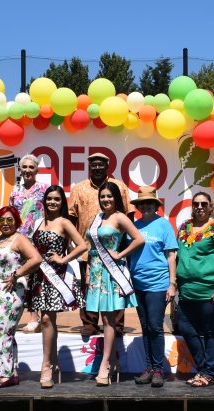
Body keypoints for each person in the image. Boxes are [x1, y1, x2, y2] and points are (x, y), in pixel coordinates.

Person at [84, 182, 145, 386]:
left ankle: (105, 366)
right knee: (101, 316)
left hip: (112, 273)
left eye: (109, 196)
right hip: (95, 273)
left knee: (109, 319)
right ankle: (113, 360)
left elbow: (138, 239)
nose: (106, 200)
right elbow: (88, 245)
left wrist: (120, 254)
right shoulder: (97, 218)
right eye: (102, 196)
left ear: (116, 197)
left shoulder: (119, 217)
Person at [28, 185, 88, 388]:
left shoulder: (64, 222)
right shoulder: (39, 222)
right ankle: (54, 362)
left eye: (57, 199)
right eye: (49, 199)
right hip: (38, 276)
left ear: (62, 202)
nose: (52, 202)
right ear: (44, 201)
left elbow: (82, 245)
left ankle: (46, 365)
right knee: (47, 320)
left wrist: (64, 259)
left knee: (46, 319)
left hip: (55, 276)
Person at [67, 152, 133, 337]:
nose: (97, 167)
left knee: (114, 286)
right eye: (93, 165)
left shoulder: (119, 187)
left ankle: (117, 325)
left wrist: (124, 247)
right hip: (87, 248)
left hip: (113, 248)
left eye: (100, 164)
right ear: (89, 167)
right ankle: (89, 323)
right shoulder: (79, 188)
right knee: (88, 286)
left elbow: (129, 215)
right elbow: (71, 217)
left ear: (108, 166)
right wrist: (71, 242)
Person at [0, 207, 42, 387]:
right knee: (6, 332)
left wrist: (16, 274)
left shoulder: (19, 239)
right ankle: (11, 372)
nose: (6, 223)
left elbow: (36, 259)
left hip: (10, 291)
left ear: (16, 221)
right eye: (2, 220)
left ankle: (4, 374)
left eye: (10, 220)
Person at [178, 192, 214, 389]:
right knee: (186, 329)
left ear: (210, 207)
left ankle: (208, 372)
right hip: (186, 291)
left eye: (203, 204)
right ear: (192, 206)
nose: (199, 207)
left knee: (210, 332)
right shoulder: (184, 227)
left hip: (210, 291)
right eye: (196, 204)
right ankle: (205, 369)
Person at [128, 186, 178, 388]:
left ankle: (158, 369)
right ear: (138, 206)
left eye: (149, 203)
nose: (146, 206)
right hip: (137, 283)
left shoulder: (164, 225)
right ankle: (148, 368)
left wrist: (172, 283)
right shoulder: (135, 225)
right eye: (142, 203)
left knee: (156, 327)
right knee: (146, 327)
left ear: (156, 206)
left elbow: (171, 255)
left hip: (158, 284)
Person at [10, 154, 48, 333]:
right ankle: (22, 315)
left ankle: (36, 318)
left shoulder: (44, 189)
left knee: (35, 279)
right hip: (19, 240)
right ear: (20, 169)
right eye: (24, 167)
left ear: (37, 170)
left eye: (31, 167)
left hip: (38, 239)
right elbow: (10, 216)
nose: (27, 170)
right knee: (21, 278)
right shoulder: (15, 190)